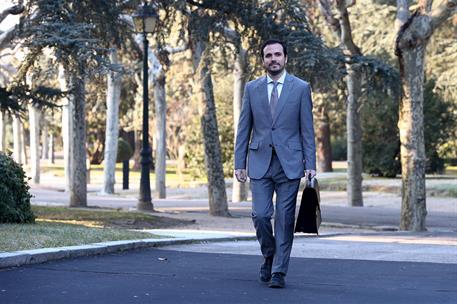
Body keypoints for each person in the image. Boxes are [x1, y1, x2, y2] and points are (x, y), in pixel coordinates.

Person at [234, 39, 316, 288]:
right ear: (263, 60)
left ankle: (279, 271)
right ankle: (270, 255)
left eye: (277, 54)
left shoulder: (301, 88)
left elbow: (307, 129)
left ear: (286, 58)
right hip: (259, 162)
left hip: (290, 163)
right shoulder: (252, 88)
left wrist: (310, 163)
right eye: (268, 55)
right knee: (260, 215)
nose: (273, 59)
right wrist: (240, 162)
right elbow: (244, 127)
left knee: (284, 219)